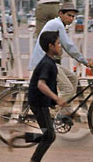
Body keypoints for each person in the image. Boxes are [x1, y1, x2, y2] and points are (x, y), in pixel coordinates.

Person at [30, 3, 93, 110]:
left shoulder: (56, 23)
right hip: (44, 62)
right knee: (68, 90)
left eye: (73, 17)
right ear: (60, 14)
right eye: (69, 15)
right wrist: (85, 62)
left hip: (47, 61)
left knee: (73, 78)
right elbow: (68, 46)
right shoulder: (57, 24)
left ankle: (66, 111)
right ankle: (51, 113)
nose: (71, 19)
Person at [26, 31, 65, 162]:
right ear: (50, 46)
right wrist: (57, 98)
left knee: (49, 134)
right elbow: (41, 85)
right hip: (38, 102)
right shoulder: (47, 64)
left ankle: (24, 136)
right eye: (58, 44)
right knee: (49, 135)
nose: (60, 46)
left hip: (41, 101)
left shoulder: (50, 62)